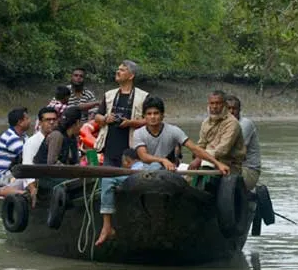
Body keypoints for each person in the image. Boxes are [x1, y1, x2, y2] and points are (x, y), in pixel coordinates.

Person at [95, 97, 230, 246]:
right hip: (142, 173)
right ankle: (107, 226)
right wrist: (163, 160)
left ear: (163, 115)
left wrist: (218, 163)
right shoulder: (139, 133)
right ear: (144, 116)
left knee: (156, 169)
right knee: (107, 180)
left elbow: (195, 148)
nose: (153, 117)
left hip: (163, 175)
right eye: (149, 114)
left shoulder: (173, 131)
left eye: (156, 113)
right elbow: (143, 156)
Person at [94, 60, 149, 167]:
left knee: (130, 181)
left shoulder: (143, 96)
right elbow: (97, 116)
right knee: (108, 180)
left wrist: (130, 123)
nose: (117, 72)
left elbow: (149, 120)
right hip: (109, 149)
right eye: (118, 69)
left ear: (131, 76)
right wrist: (106, 119)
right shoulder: (109, 94)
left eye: (122, 70)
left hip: (132, 150)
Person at [95, 148, 151, 246]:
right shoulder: (150, 165)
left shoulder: (134, 170)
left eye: (123, 163)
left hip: (138, 180)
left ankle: (106, 226)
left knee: (107, 180)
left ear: (126, 161)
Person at [188, 91, 246, 175]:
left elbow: (222, 150)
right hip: (207, 162)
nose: (214, 107)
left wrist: (200, 158)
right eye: (212, 103)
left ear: (224, 105)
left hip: (229, 166)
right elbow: (201, 144)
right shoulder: (206, 123)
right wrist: (197, 155)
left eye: (218, 103)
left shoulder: (232, 123)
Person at [0, 107, 33, 197]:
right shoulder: (12, 138)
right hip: (4, 177)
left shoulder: (24, 136)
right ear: (20, 122)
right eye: (27, 119)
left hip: (13, 173)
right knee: (30, 177)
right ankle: (22, 193)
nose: (30, 121)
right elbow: (29, 156)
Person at [225, 95, 261, 190]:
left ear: (239, 110)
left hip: (248, 170)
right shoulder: (221, 125)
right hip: (230, 166)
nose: (231, 112)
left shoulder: (245, 124)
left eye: (234, 109)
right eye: (228, 108)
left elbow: (230, 150)